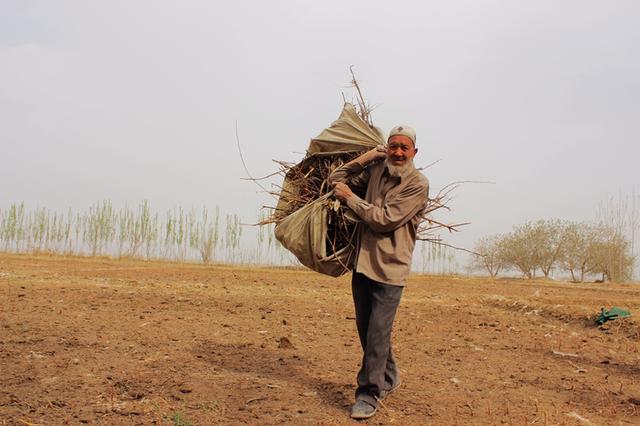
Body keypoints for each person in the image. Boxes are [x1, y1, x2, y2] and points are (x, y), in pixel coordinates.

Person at [328, 125, 429, 420]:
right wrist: (364, 158)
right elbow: (336, 180)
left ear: (414, 153)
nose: (398, 152)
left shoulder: (417, 184)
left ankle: (368, 394)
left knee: (377, 334)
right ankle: (391, 375)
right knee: (368, 330)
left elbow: (384, 220)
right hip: (363, 264)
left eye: (404, 148)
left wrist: (350, 198)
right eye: (393, 146)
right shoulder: (374, 172)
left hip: (390, 270)